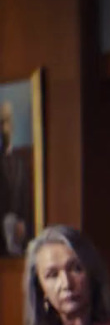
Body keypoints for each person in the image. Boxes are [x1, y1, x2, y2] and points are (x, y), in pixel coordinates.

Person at [1, 100, 36, 256]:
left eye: (7, 122)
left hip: (19, 236)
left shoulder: (20, 162)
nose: (4, 128)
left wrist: (23, 223)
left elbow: (26, 198)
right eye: (2, 122)